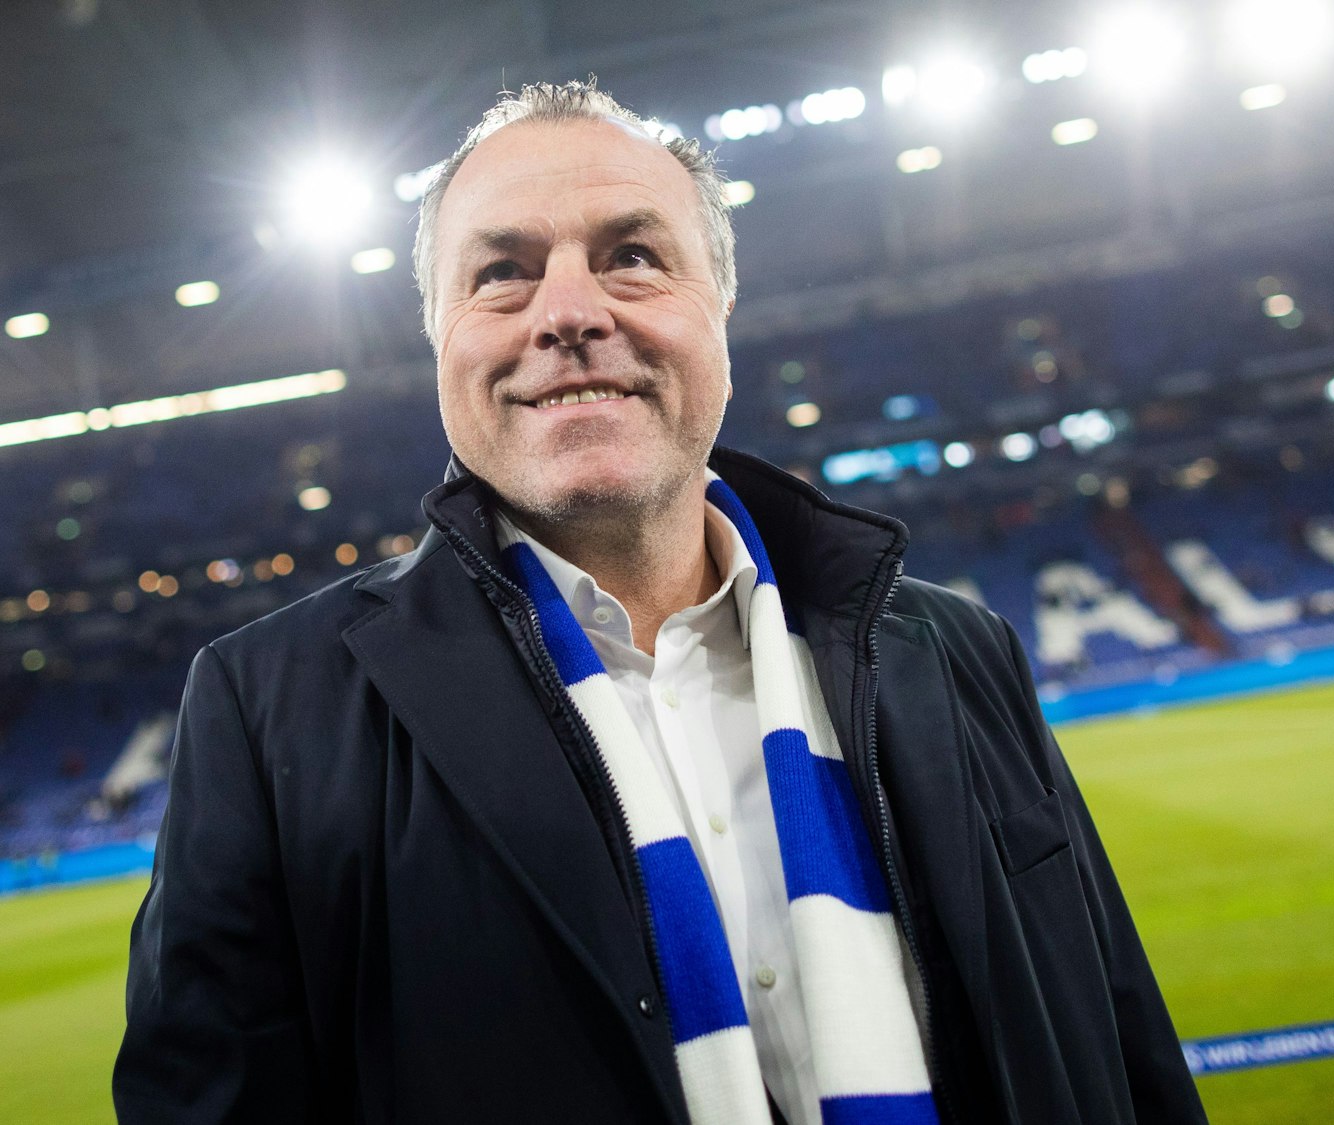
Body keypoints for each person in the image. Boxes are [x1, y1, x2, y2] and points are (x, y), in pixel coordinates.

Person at [114, 80, 1206, 1125]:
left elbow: (1118, 1048)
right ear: (439, 334)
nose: (568, 313)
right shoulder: (269, 711)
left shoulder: (957, 651)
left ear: (719, 302)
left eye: (632, 257)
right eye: (502, 272)